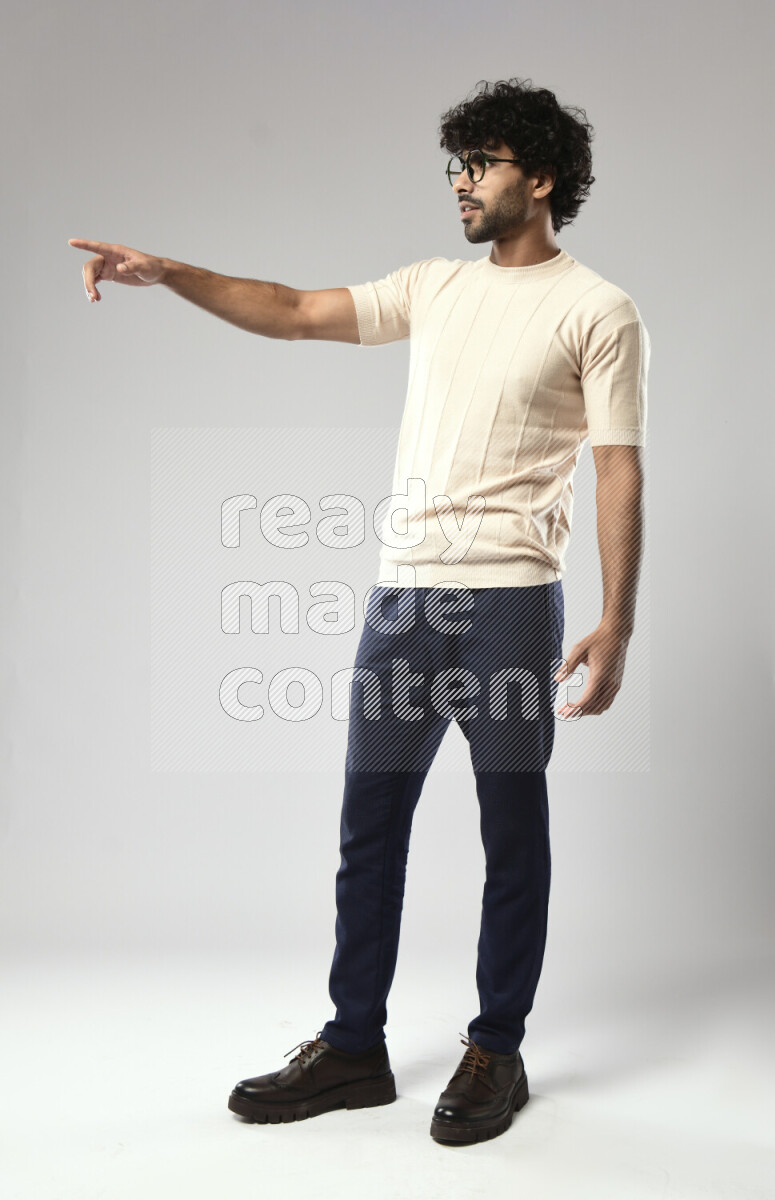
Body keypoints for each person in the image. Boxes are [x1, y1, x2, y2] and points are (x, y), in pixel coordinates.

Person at [69, 77, 650, 1146]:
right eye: (455, 168)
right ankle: (351, 1047)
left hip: (512, 609)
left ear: (542, 176)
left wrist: (614, 622)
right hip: (403, 604)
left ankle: (496, 1047)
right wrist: (168, 273)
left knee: (509, 831)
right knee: (367, 829)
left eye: (479, 166)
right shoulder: (435, 287)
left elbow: (617, 471)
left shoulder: (596, 310)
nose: (460, 186)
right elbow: (291, 312)